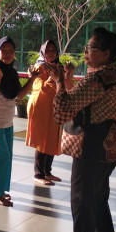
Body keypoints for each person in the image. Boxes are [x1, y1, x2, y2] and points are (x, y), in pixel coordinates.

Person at [43, 27, 116, 232]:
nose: (86, 51)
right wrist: (66, 81)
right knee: (97, 197)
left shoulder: (98, 77)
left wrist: (59, 81)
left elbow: (63, 111)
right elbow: (79, 100)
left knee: (81, 199)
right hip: (111, 146)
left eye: (90, 48)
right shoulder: (113, 75)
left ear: (105, 53)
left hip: (92, 146)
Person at [0, 36, 39, 207]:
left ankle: (0, 191)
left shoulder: (12, 72)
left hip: (7, 120)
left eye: (10, 51)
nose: (7, 54)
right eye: (3, 51)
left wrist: (32, 78)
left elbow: (19, 95)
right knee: (0, 157)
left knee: (7, 157)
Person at [26, 40, 75, 186]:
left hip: (54, 108)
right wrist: (52, 78)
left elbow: (68, 88)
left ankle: (47, 171)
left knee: (53, 138)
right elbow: (43, 90)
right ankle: (38, 174)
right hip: (40, 107)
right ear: (43, 52)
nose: (51, 53)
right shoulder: (38, 67)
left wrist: (68, 75)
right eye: (48, 50)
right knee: (42, 140)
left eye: (53, 50)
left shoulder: (59, 66)